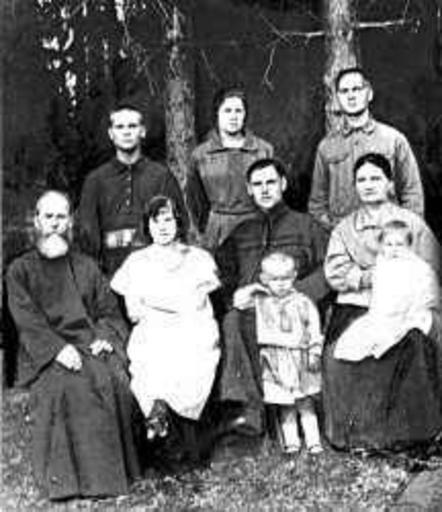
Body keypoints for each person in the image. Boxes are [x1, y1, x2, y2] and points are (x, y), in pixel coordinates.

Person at [6, 191, 141, 501]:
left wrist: (105, 338)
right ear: (37, 221)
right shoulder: (19, 270)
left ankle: (108, 476)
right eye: (48, 217)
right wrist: (57, 349)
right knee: (70, 386)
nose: (55, 223)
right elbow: (27, 320)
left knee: (112, 378)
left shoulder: (86, 266)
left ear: (70, 222)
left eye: (61, 217)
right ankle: (71, 482)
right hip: (45, 353)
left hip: (90, 344)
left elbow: (108, 311)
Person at [323, 152, 442, 452]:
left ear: (390, 183)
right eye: (361, 179)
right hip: (358, 303)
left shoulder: (411, 223)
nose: (368, 185)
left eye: (375, 178)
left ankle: (412, 432)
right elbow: (336, 273)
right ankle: (360, 434)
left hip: (407, 302)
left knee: (413, 343)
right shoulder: (345, 229)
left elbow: (432, 265)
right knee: (340, 354)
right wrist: (373, 276)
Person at [215, 158, 329, 436]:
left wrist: (297, 295)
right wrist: (235, 295)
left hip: (293, 312)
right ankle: (250, 410)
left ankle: (280, 411)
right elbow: (223, 275)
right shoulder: (242, 232)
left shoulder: (306, 226)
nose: (265, 189)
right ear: (249, 190)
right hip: (252, 310)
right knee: (232, 320)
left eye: (270, 182)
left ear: (283, 184)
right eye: (257, 184)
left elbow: (328, 271)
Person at [111, 195, 220, 462]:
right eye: (155, 221)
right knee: (151, 357)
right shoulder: (137, 261)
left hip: (193, 324)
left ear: (179, 223)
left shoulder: (198, 258)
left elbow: (204, 302)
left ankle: (170, 420)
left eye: (168, 220)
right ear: (147, 226)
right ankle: (157, 412)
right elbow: (134, 310)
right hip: (154, 325)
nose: (162, 227)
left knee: (191, 355)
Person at [78, 102, 187, 276]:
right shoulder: (95, 180)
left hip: (156, 271)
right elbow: (87, 233)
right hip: (109, 273)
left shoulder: (161, 176)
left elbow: (179, 226)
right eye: (120, 127)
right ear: (111, 134)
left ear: (142, 131)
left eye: (132, 126)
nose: (126, 132)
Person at [308, 67, 424, 231]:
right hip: (345, 238)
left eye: (356, 89)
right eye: (344, 91)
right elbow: (316, 205)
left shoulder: (393, 139)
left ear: (369, 94)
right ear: (337, 98)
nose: (351, 96)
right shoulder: (326, 147)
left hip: (386, 236)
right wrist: (339, 231)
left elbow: (412, 194)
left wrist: (403, 232)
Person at [234, 252, 323, 454]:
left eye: (286, 278)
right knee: (285, 404)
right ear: (264, 279)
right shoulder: (261, 300)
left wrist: (314, 352)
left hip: (299, 356)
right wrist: (254, 288)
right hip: (274, 357)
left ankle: (313, 441)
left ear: (294, 276)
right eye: (274, 279)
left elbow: (314, 329)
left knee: (305, 402)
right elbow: (239, 301)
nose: (281, 284)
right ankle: (292, 442)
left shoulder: (303, 302)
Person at [334, 219, 440, 361]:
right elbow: (380, 297)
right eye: (389, 244)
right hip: (386, 314)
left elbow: (424, 296)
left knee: (413, 330)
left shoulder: (417, 268)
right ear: (382, 246)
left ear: (409, 246)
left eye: (399, 244)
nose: (394, 249)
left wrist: (407, 312)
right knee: (357, 338)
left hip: (411, 313)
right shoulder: (382, 266)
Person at [186, 87, 273, 250]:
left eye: (238, 111)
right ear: (217, 114)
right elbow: (194, 200)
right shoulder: (201, 155)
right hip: (217, 231)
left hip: (255, 227)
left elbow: (274, 196)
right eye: (227, 111)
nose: (233, 116)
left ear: (245, 114)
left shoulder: (263, 150)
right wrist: (208, 227)